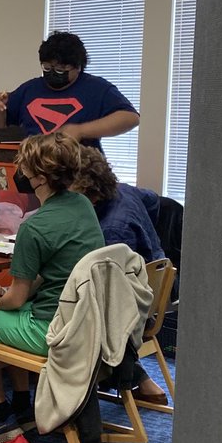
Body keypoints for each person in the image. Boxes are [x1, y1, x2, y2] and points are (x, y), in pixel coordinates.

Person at [0, 132, 105, 442]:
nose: (20, 173)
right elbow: (60, 269)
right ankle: (23, 405)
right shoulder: (83, 205)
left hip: (51, 331)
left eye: (23, 167)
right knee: (19, 311)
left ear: (39, 176)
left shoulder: (34, 227)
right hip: (86, 323)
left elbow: (15, 298)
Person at [69, 144, 169, 406]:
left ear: (87, 192)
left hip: (137, 308)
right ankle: (144, 381)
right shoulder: (124, 190)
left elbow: (111, 299)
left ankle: (129, 376)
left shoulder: (112, 231)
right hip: (159, 285)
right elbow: (154, 201)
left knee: (72, 312)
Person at [0, 30, 139, 149]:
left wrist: (80, 131)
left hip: (79, 172)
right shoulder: (30, 89)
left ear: (78, 67)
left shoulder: (96, 88)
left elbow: (131, 118)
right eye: (47, 67)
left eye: (60, 69)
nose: (52, 72)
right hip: (35, 171)